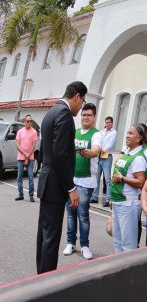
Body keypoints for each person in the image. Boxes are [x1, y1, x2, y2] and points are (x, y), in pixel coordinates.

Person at [36, 81, 85, 274]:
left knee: (44, 233)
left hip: (47, 180)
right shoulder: (64, 114)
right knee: (52, 237)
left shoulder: (51, 112)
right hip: (56, 184)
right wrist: (71, 188)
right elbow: (61, 154)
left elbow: (44, 150)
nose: (81, 107)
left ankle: (41, 275)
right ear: (77, 96)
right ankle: (47, 280)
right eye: (82, 102)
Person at [63, 103, 102, 260]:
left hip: (86, 182)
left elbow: (96, 151)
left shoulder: (96, 134)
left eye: (89, 115)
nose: (86, 117)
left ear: (94, 117)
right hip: (70, 180)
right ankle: (70, 243)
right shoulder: (75, 132)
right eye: (84, 114)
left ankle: (85, 245)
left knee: (83, 216)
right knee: (70, 214)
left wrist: (86, 152)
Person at [110, 124, 147, 253]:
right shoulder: (127, 154)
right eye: (127, 133)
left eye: (131, 133)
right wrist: (113, 199)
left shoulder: (138, 158)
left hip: (128, 204)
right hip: (118, 202)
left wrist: (122, 178)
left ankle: (129, 265)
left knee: (128, 244)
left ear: (139, 138)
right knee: (118, 241)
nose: (127, 136)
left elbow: (141, 182)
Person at [91, 115, 117, 206]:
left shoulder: (113, 132)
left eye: (109, 122)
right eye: (106, 122)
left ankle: (108, 199)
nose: (107, 124)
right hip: (99, 157)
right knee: (96, 178)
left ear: (112, 123)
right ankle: (94, 197)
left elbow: (110, 144)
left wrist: (102, 149)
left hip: (107, 157)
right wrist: (98, 149)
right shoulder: (102, 132)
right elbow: (98, 141)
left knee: (107, 179)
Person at [15, 114, 38, 202]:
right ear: (24, 122)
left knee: (31, 177)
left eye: (30, 121)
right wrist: (25, 154)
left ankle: (31, 195)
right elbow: (17, 145)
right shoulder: (20, 132)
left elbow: (33, 146)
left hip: (30, 157)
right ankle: (21, 195)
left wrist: (28, 156)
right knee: (19, 177)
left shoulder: (34, 132)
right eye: (28, 121)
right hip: (21, 157)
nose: (29, 123)